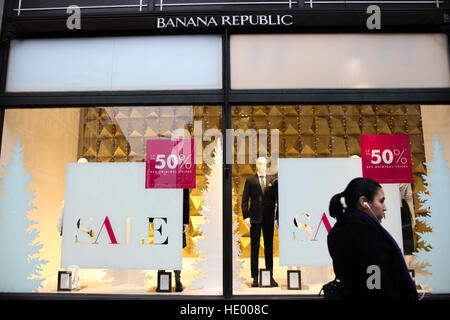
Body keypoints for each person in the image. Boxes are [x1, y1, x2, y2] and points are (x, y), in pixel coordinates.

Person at [327, 177, 418, 300]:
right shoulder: (368, 234)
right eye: (381, 201)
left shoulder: (338, 231)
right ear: (364, 202)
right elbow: (376, 285)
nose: (384, 207)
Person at [241, 157, 278, 287]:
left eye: (264, 164)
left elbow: (277, 200)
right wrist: (246, 216)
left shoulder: (272, 180)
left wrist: (277, 217)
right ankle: (255, 277)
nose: (262, 166)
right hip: (255, 219)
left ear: (266, 165)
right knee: (255, 248)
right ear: (256, 165)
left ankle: (270, 276)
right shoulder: (250, 180)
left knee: (269, 248)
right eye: (260, 164)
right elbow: (245, 199)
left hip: (268, 219)